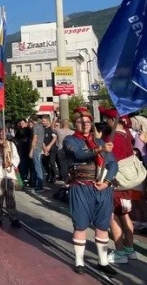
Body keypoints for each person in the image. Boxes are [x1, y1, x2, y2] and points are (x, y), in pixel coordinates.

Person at [63, 107, 117, 275]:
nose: (85, 124)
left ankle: (103, 261)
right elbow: (79, 155)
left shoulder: (101, 142)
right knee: (80, 225)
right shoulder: (69, 140)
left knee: (102, 225)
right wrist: (100, 150)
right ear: (75, 123)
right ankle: (79, 262)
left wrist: (107, 183)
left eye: (87, 121)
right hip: (81, 187)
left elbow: (113, 164)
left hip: (102, 189)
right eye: (80, 121)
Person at [98, 108, 138, 264]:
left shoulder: (113, 138)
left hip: (116, 182)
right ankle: (130, 249)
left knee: (112, 216)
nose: (105, 122)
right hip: (127, 181)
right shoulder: (127, 134)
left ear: (113, 121)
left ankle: (120, 251)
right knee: (125, 214)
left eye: (107, 119)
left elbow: (112, 161)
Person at [0, 127, 21, 227]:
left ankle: (13, 218)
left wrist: (10, 164)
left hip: (9, 175)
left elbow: (16, 158)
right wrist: (0, 149)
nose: (2, 134)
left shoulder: (11, 144)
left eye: (4, 132)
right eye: (0, 132)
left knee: (11, 198)